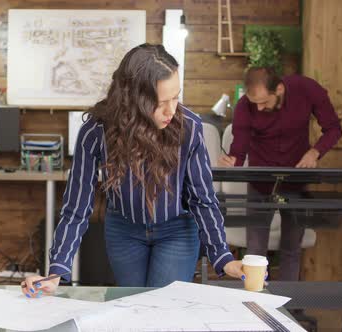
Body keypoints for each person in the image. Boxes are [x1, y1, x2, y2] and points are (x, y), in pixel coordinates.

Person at [21, 44, 244, 298]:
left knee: (160, 308)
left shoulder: (190, 128)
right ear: (134, 100)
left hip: (177, 230)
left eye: (176, 97)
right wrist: (57, 271)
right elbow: (76, 207)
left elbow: (203, 199)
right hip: (124, 230)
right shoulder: (96, 131)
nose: (172, 110)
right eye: (161, 102)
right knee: (130, 306)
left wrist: (222, 256)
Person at [218, 67, 342, 281]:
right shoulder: (245, 106)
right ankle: (256, 307)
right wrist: (232, 160)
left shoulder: (307, 89)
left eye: (264, 102)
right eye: (254, 102)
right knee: (255, 250)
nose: (259, 107)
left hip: (296, 181)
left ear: (280, 89)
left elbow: (334, 128)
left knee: (292, 248)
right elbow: (239, 150)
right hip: (260, 183)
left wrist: (315, 152)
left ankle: (289, 309)